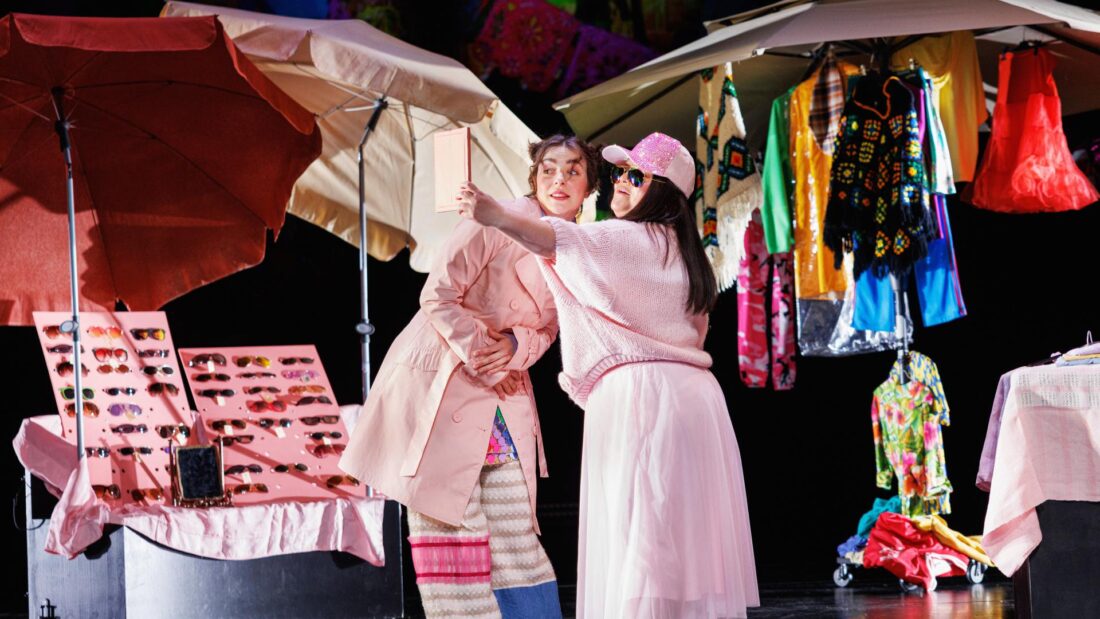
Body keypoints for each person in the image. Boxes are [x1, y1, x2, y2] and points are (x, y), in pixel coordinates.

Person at [456, 132, 759, 618]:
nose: (620, 182)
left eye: (636, 177)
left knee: (642, 543)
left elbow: (557, 239)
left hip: (643, 397)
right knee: (687, 547)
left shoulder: (625, 237)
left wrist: (496, 216)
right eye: (621, 172)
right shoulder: (689, 254)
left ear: (662, 194)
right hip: (697, 400)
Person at [339, 135, 600, 618]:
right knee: (450, 528)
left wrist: (517, 349)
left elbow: (551, 328)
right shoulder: (495, 219)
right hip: (445, 380)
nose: (559, 180)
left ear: (589, 187)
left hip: (504, 393)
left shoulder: (576, 247)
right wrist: (489, 358)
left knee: (516, 535)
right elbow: (437, 295)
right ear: (534, 178)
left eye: (572, 170)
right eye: (548, 169)